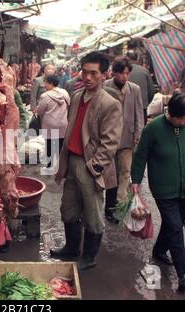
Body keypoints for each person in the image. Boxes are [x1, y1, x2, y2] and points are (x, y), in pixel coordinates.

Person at [131, 92, 185, 292]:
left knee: (171, 225)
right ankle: (183, 273)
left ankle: (160, 250)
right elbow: (141, 155)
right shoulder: (153, 128)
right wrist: (135, 181)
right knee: (176, 227)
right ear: (172, 114)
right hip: (163, 188)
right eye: (183, 118)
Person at [50, 52, 123, 271]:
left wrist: (94, 168)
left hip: (88, 165)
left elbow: (111, 142)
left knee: (92, 213)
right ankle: (72, 248)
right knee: (68, 209)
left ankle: (89, 257)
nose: (88, 77)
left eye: (94, 73)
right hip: (71, 160)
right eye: (85, 72)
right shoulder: (77, 95)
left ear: (104, 75)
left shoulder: (109, 104)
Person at [103, 57, 144, 224]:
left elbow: (139, 114)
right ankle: (108, 207)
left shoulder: (134, 89)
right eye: (122, 73)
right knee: (109, 175)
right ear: (115, 73)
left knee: (125, 172)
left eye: (127, 73)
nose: (125, 76)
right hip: (108, 139)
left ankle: (119, 205)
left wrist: (138, 134)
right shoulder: (105, 87)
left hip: (128, 137)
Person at [35, 75, 70, 170]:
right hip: (62, 123)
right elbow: (69, 104)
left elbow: (40, 111)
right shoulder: (64, 93)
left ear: (50, 83)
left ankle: (50, 166)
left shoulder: (45, 96)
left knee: (49, 144)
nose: (44, 85)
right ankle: (61, 167)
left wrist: (38, 110)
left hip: (49, 124)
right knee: (61, 144)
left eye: (46, 83)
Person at [127, 52, 155, 124]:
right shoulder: (145, 71)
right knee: (141, 130)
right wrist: (146, 103)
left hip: (127, 107)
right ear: (138, 59)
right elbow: (151, 91)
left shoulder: (123, 72)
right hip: (142, 106)